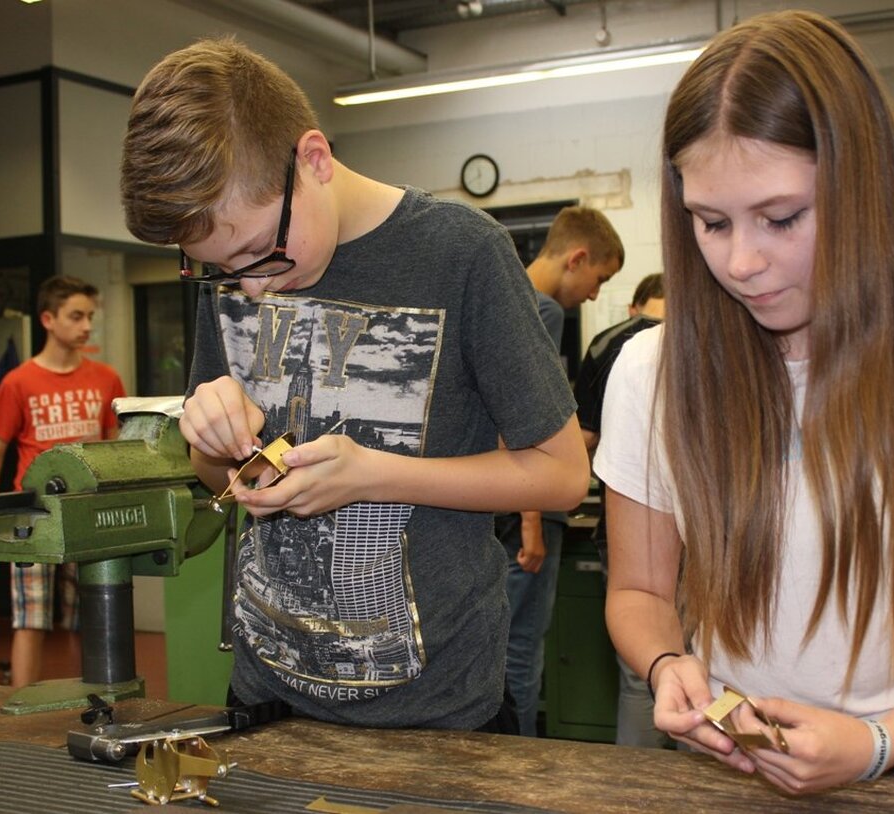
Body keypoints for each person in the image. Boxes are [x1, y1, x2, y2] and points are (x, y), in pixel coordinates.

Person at [595, 10, 894, 795]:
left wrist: (876, 742)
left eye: (782, 218)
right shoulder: (654, 373)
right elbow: (641, 591)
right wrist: (667, 661)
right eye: (711, 223)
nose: (743, 262)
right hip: (739, 759)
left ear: (867, 188)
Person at [120, 38, 589, 732]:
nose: (252, 285)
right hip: (266, 692)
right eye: (218, 270)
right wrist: (214, 438)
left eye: (260, 253)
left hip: (437, 709)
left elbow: (560, 476)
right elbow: (219, 472)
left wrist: (373, 474)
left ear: (313, 159)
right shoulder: (239, 264)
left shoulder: (461, 255)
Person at [495, 205, 623, 737]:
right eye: (599, 279)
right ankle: (522, 770)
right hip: (527, 510)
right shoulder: (542, 310)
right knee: (523, 653)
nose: (595, 295)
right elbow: (517, 422)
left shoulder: (501, 299)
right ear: (577, 258)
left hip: (494, 507)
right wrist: (531, 522)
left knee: (501, 651)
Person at [0, 276, 126, 688]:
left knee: (94, 617)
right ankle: (19, 722)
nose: (85, 326)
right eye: (75, 316)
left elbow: (112, 447)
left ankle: (97, 702)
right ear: (48, 319)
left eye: (90, 317)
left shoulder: (106, 379)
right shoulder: (18, 382)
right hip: (34, 516)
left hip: (86, 513)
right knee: (30, 619)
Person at [573, 272, 667, 748]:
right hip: (704, 536)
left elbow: (583, 440)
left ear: (634, 306)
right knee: (715, 677)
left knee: (645, 676)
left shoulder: (610, 343)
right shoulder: (644, 355)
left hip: (630, 527)